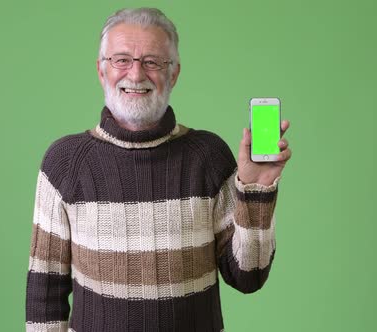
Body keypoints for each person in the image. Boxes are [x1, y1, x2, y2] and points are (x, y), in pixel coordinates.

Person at [25, 7, 292, 332]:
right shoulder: (64, 163)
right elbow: (45, 294)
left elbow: (248, 276)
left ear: (174, 73)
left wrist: (255, 188)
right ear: (101, 70)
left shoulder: (208, 156)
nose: (136, 74)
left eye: (152, 62)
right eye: (121, 59)